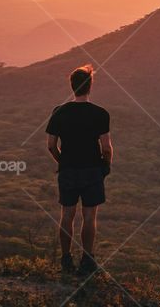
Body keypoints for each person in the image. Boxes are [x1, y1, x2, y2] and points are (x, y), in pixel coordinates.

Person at [46, 64, 113, 275]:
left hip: (68, 169)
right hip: (92, 169)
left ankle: (66, 258)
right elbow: (106, 147)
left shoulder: (59, 112)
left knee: (67, 214)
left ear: (72, 86)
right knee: (89, 216)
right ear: (90, 86)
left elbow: (50, 145)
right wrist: (105, 166)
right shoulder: (100, 114)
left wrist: (61, 161)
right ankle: (87, 258)